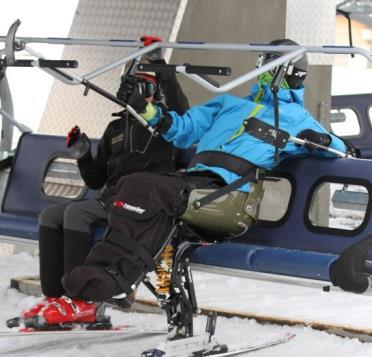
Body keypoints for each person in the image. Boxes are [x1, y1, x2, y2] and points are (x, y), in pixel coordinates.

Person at [26, 39, 351, 326]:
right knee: (136, 191)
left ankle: (116, 278)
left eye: (267, 64)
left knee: (143, 187)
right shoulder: (229, 104)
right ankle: (110, 284)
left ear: (285, 71)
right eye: (260, 63)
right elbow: (180, 128)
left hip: (229, 201)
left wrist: (315, 137)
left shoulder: (294, 118)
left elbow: (341, 149)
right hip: (196, 193)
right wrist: (146, 109)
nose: (259, 69)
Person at [19, 53, 190, 323]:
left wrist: (164, 72)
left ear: (155, 92)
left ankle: (82, 299)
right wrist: (84, 155)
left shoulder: (166, 123)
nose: (139, 93)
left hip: (145, 205)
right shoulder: (115, 128)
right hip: (113, 199)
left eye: (145, 87)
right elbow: (97, 181)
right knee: (50, 215)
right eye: (133, 86)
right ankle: (55, 296)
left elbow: (183, 111)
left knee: (76, 214)